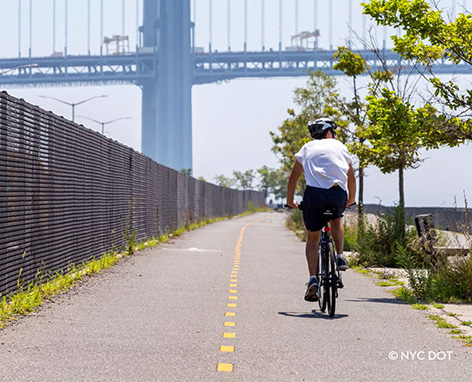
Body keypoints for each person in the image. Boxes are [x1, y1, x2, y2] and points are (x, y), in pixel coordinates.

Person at [286, 118, 356, 301]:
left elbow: (293, 179)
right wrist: (351, 199)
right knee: (336, 219)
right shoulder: (340, 146)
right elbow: (351, 177)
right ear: (328, 133)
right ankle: (340, 256)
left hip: (314, 196)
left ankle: (312, 280)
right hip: (337, 194)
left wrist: (289, 201)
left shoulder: (307, 148)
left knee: (313, 238)